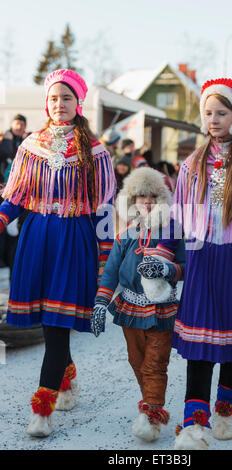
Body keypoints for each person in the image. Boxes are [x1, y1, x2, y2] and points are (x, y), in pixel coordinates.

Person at [137, 78, 232, 450]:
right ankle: (194, 425)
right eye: (208, 112)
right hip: (202, 261)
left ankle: (226, 410)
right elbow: (176, 216)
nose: (213, 119)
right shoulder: (192, 163)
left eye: (221, 113)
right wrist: (160, 252)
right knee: (199, 346)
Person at [0, 69, 116, 437]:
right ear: (45, 103)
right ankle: (66, 380)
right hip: (36, 240)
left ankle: (42, 410)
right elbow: (16, 196)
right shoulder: (30, 145)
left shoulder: (93, 151)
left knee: (57, 324)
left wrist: (106, 256)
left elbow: (103, 207)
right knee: (51, 326)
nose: (59, 104)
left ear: (78, 103)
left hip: (74, 240)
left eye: (66, 98)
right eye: (53, 98)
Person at [90, 167, 185, 442]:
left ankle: (152, 414)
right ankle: (149, 404)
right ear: (131, 201)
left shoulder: (172, 232)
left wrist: (167, 270)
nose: (147, 201)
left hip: (160, 308)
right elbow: (110, 272)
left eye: (153, 196)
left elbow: (186, 266)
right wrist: (100, 304)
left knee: (156, 364)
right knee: (137, 361)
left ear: (162, 199)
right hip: (129, 308)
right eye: (141, 196)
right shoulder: (124, 234)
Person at [0, 115, 30, 272]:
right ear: (12, 124)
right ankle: (6, 264)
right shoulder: (6, 140)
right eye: (17, 123)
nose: (19, 127)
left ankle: (14, 267)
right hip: (7, 194)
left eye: (22, 124)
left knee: (17, 235)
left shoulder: (30, 140)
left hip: (24, 195)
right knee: (8, 233)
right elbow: (5, 155)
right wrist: (6, 141)